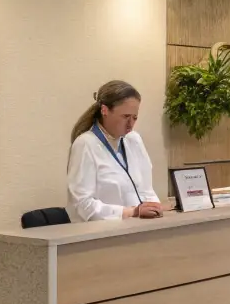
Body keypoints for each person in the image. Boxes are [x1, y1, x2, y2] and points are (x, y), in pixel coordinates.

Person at [67, 80, 164, 222]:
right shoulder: (85, 144)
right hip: (101, 235)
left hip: (139, 229)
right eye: (125, 117)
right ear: (105, 110)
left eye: (134, 117)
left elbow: (146, 190)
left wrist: (155, 207)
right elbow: (82, 205)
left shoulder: (134, 140)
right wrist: (131, 212)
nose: (130, 124)